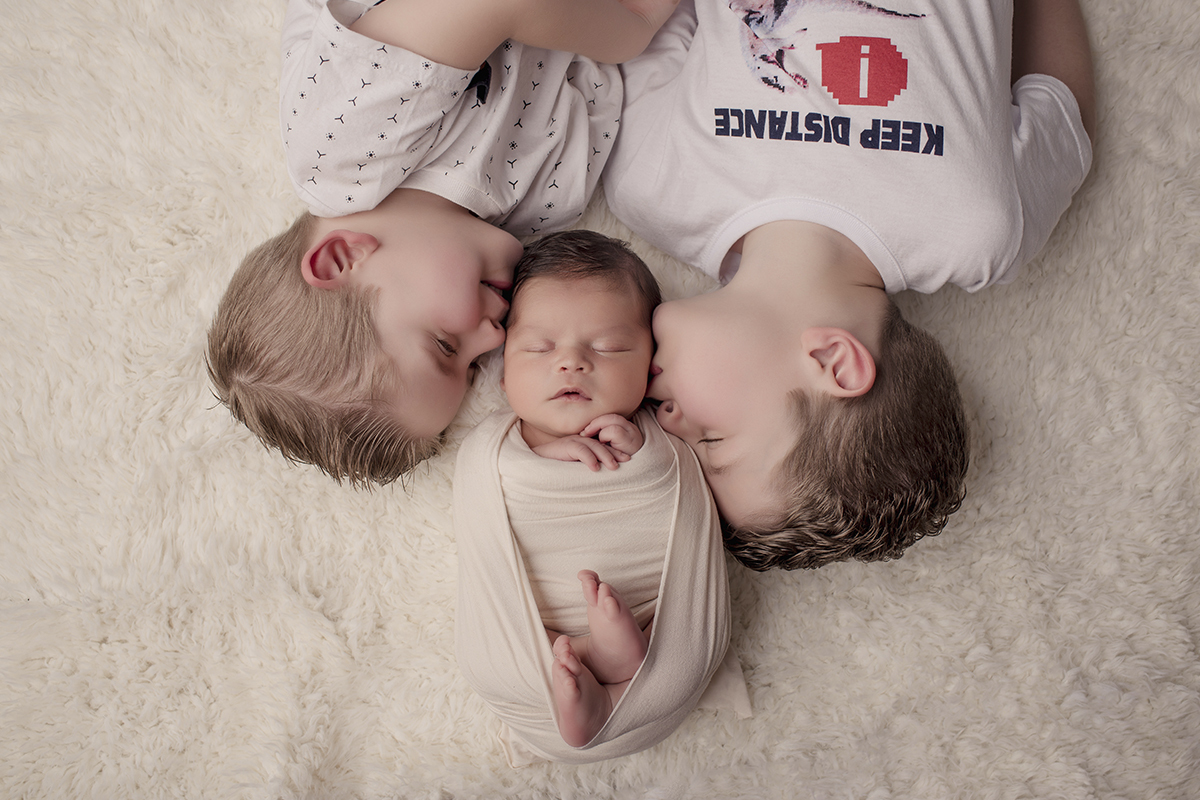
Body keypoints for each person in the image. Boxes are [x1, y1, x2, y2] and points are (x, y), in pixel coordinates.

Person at [603, 0, 1096, 570]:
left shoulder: (655, 188)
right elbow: (1064, 114)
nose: (665, 422)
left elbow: (642, 21)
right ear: (835, 363)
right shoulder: (977, 235)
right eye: (711, 441)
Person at [206, 0, 678, 485]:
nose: (495, 337)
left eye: (445, 345)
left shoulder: (339, 153)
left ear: (341, 258)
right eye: (474, 368)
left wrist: (633, 27)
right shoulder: (543, 204)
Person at [453, 231, 744, 763]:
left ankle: (608, 664)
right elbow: (481, 495)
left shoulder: (662, 438)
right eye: (539, 348)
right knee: (494, 660)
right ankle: (595, 664)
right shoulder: (494, 450)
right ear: (502, 377)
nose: (570, 362)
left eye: (608, 347)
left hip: (653, 614)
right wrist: (534, 459)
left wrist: (645, 454)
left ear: (651, 367)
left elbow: (679, 483)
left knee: (678, 661)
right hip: (529, 630)